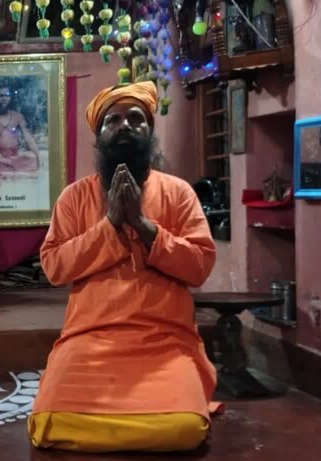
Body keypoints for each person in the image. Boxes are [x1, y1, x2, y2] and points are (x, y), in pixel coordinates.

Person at [29, 81, 218, 453]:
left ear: (149, 130)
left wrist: (144, 227)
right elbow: (53, 266)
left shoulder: (179, 193)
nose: (125, 126)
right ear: (99, 136)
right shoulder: (74, 198)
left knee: (185, 427)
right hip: (89, 339)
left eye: (135, 118)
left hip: (164, 339)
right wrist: (111, 223)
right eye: (112, 120)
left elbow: (199, 266)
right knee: (50, 420)